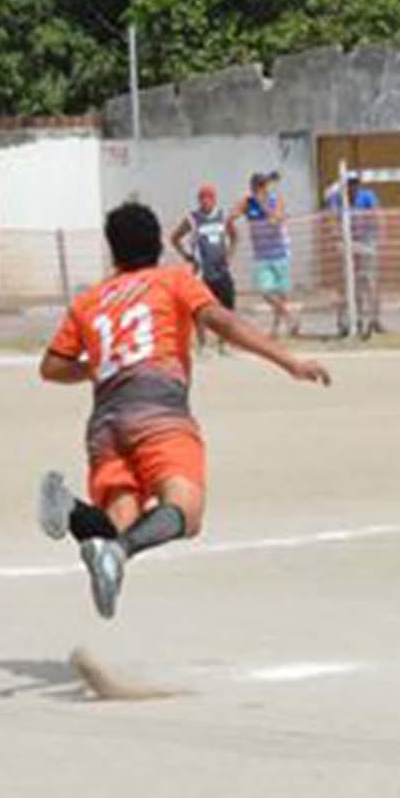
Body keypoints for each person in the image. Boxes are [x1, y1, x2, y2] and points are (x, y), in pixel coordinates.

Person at [35, 201, 330, 619]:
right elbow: (222, 322)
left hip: (105, 424)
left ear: (113, 251)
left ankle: (73, 511)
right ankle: (116, 550)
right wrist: (289, 362)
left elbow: (51, 367)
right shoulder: (174, 281)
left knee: (120, 524)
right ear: (158, 244)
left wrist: (98, 366)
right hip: (157, 411)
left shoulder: (89, 301)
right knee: (186, 511)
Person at [171, 184, 239, 355]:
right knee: (200, 306)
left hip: (221, 269)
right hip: (202, 270)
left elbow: (235, 236)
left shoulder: (223, 216)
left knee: (226, 305)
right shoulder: (192, 219)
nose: (205, 201)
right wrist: (186, 255)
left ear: (214, 199)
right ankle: (202, 344)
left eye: (209, 197)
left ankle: (223, 343)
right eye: (202, 198)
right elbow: (175, 238)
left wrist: (230, 255)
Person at [234, 172, 299, 338]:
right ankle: (290, 318)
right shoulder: (248, 202)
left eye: (260, 187)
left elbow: (276, 220)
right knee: (265, 291)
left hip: (279, 252)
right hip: (261, 255)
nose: (257, 191)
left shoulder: (275, 200)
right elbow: (233, 214)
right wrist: (239, 210)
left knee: (282, 294)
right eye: (254, 188)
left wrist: (263, 205)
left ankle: (276, 328)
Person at [324, 172, 382, 339]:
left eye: (355, 183)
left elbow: (376, 215)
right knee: (346, 283)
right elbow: (332, 218)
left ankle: (373, 319)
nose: (353, 186)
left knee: (369, 281)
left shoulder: (367, 196)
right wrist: (337, 237)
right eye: (350, 183)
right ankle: (346, 322)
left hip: (366, 241)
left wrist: (377, 237)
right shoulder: (337, 198)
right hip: (347, 243)